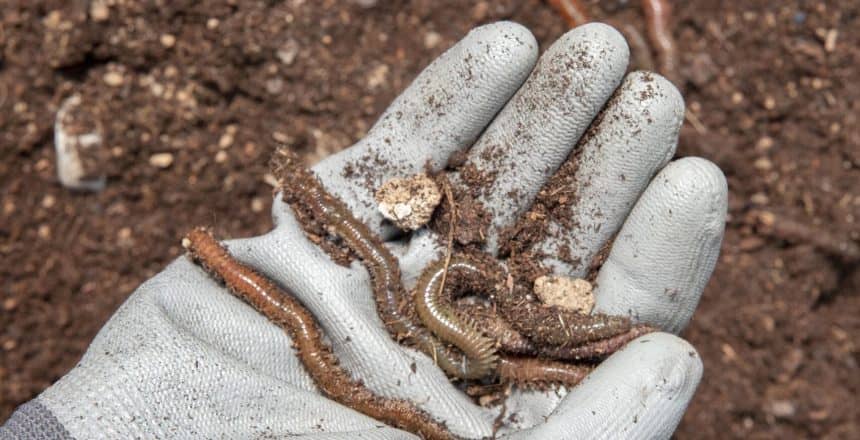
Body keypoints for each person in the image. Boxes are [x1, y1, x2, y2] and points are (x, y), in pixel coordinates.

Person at [0, 22, 726, 439]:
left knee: (409, 300)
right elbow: (433, 335)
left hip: (459, 320)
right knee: (398, 300)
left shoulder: (445, 310)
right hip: (454, 324)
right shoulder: (435, 314)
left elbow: (445, 338)